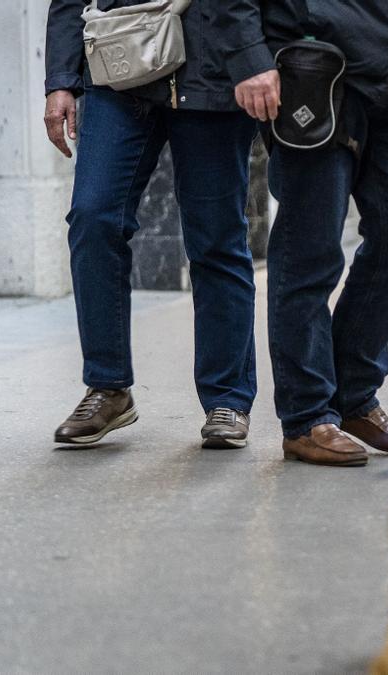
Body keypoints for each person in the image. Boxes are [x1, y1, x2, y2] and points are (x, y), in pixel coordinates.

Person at [216, 0, 388, 467]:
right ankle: (308, 416)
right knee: (310, 253)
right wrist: (249, 57)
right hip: (318, 71)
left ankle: (352, 393)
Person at [44, 0, 259, 449]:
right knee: (93, 216)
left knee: (217, 239)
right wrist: (61, 80)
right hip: (119, 66)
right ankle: (108, 387)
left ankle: (228, 398)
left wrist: (258, 60)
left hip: (213, 73)